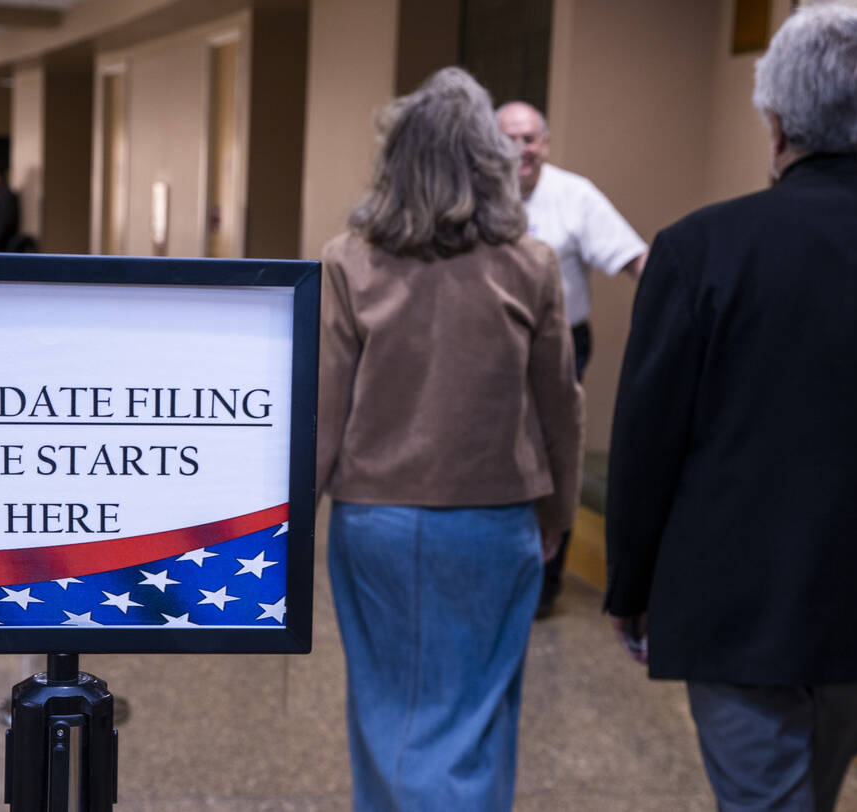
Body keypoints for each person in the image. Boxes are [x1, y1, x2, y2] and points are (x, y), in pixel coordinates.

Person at [604, 6, 857, 811]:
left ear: (775, 119)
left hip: (737, 607)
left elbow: (648, 439)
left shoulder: (698, 248)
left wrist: (631, 585)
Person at [318, 66, 583, 811]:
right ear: (491, 160)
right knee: (481, 712)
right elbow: (559, 404)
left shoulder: (349, 260)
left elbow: (324, 412)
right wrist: (559, 513)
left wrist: (280, 533)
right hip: (493, 521)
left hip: (375, 521)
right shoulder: (529, 264)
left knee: (384, 708)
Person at [495, 99, 647, 619]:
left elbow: (634, 258)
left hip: (560, 342)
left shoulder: (574, 195)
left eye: (531, 138)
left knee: (554, 445)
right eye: (510, 138)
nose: (522, 150)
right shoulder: (474, 192)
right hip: (488, 345)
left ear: (546, 143)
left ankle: (543, 581)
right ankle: (497, 565)